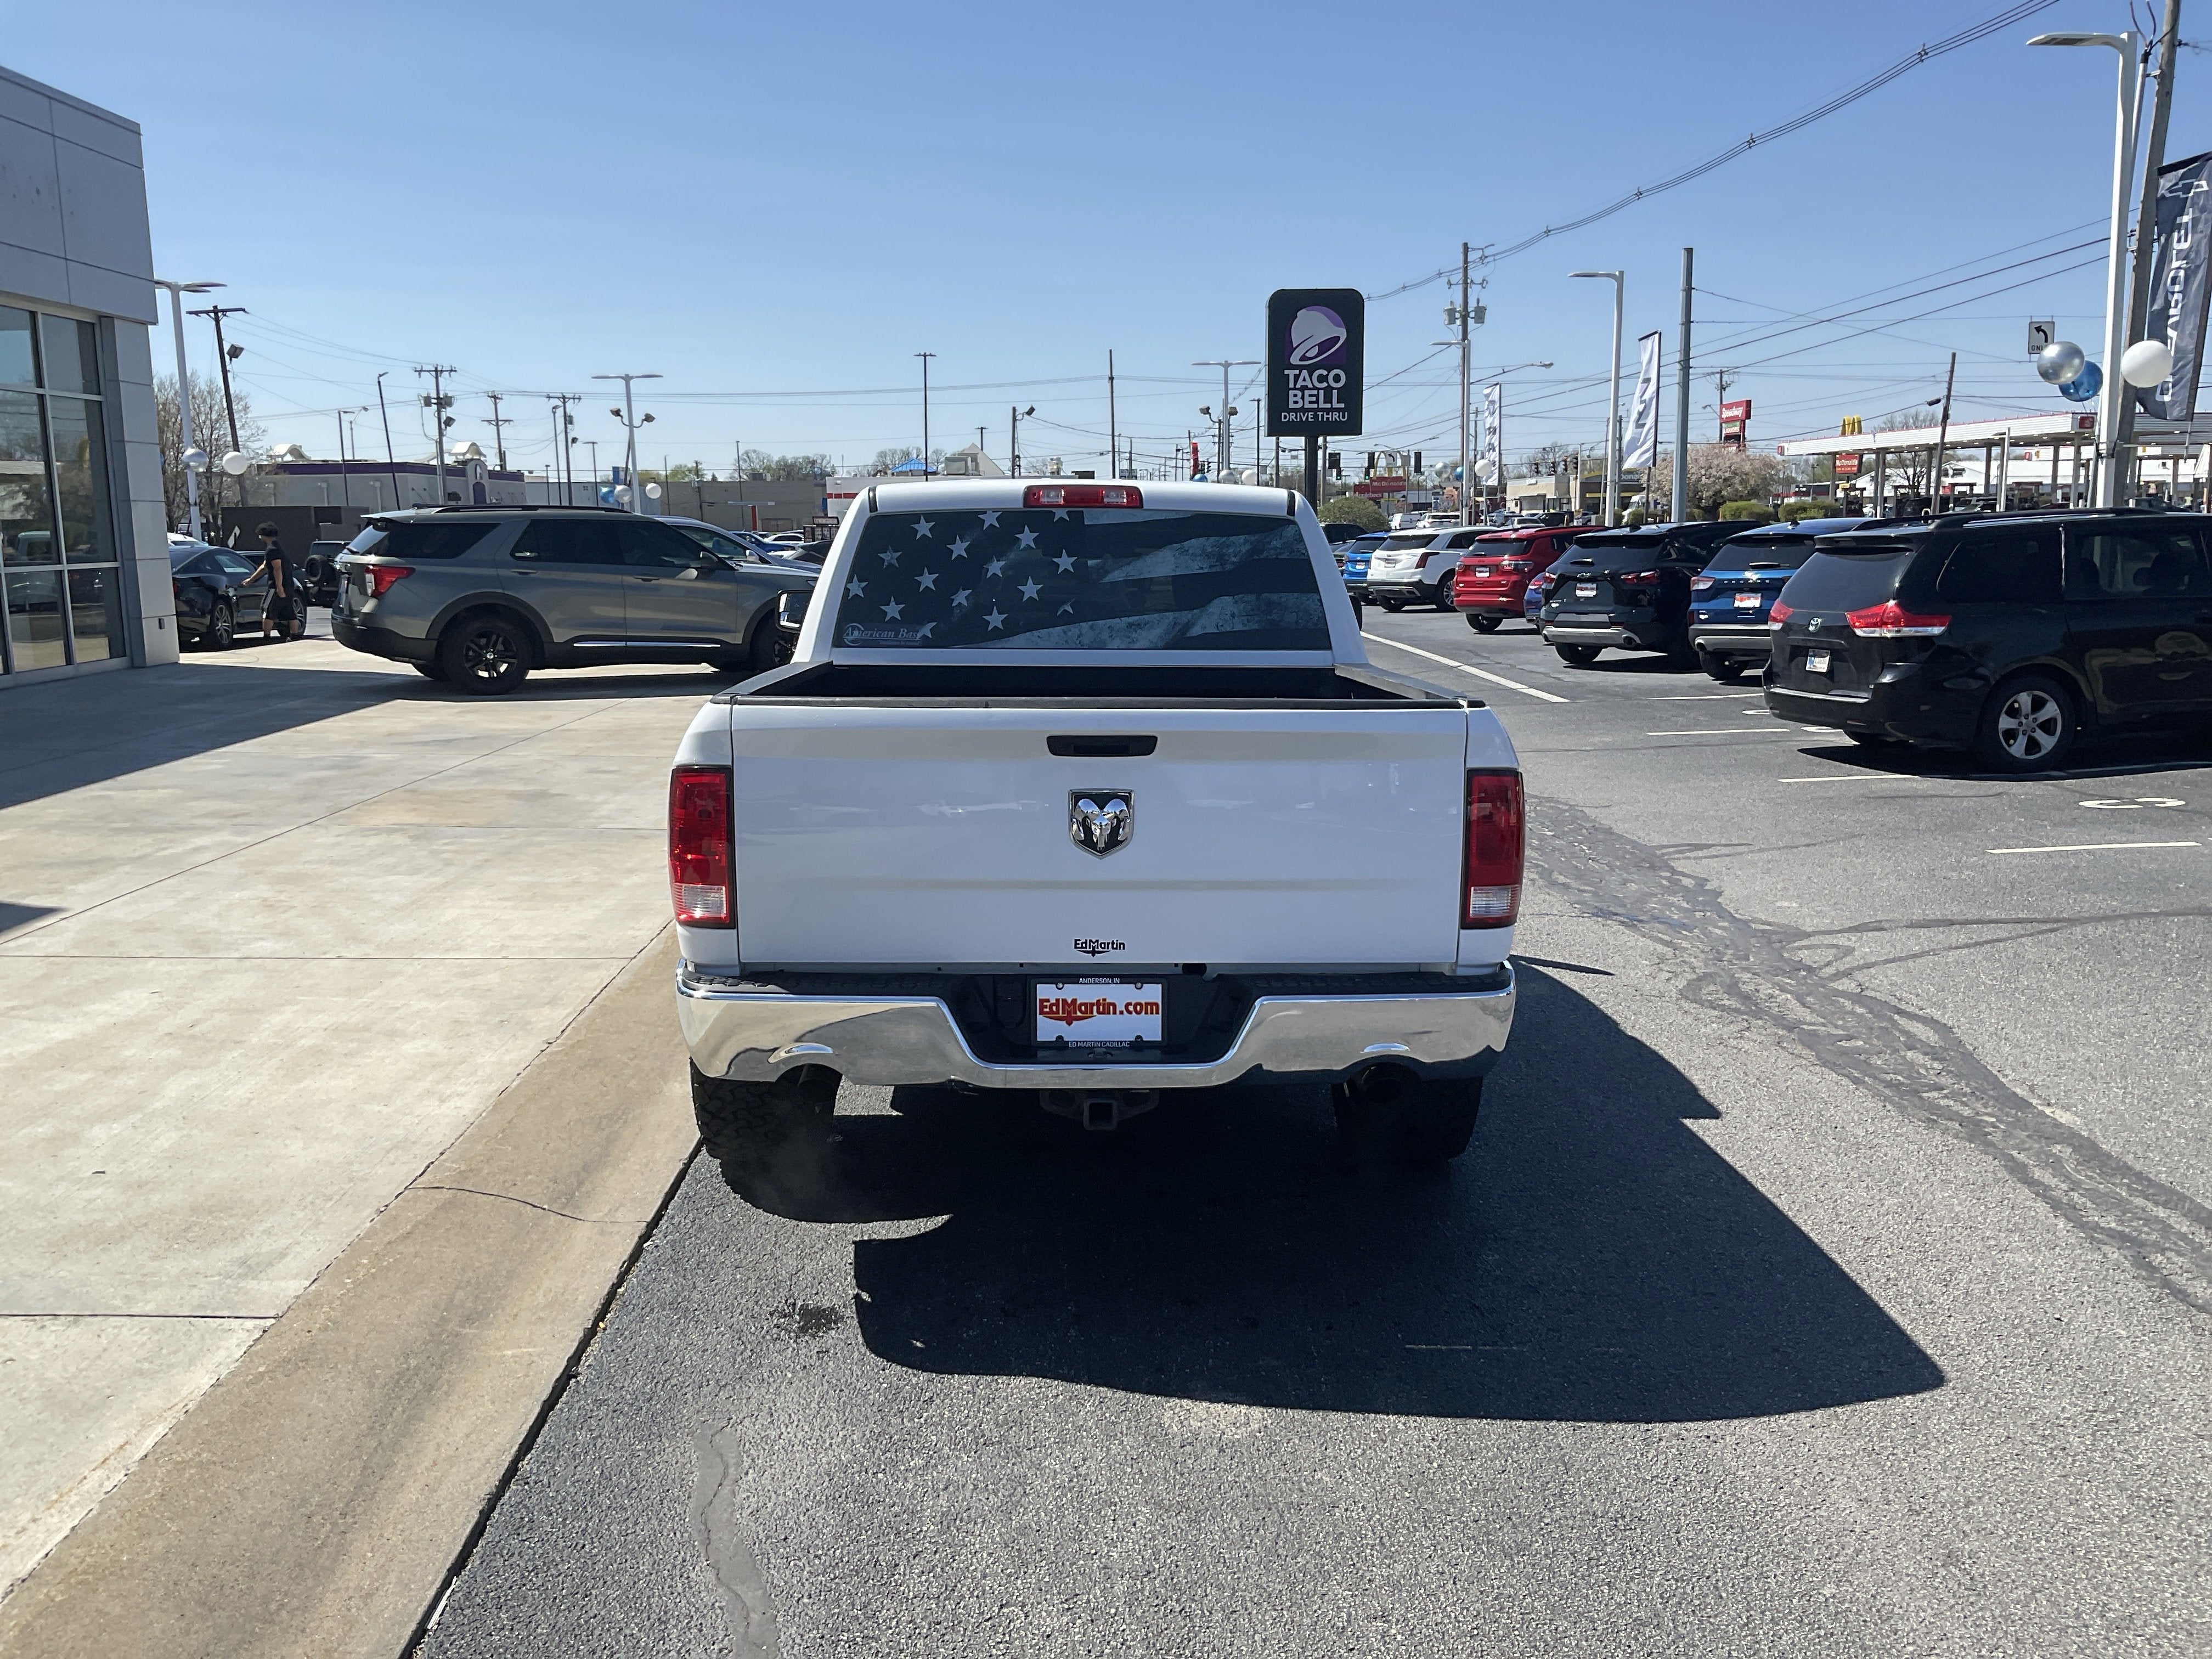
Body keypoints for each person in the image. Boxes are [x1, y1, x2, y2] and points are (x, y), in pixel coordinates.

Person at [246, 522, 302, 641]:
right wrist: (251, 580)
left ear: (263, 535)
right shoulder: (278, 548)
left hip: (276, 587)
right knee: (289, 610)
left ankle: (267, 637)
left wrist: (279, 587)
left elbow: (277, 568)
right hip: (289, 585)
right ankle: (295, 635)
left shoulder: (272, 550)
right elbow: (265, 566)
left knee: (267, 608)